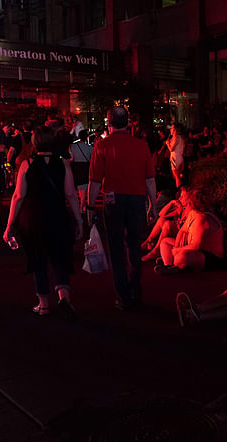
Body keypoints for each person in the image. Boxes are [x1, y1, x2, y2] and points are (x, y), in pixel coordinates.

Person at [4, 127, 84, 319]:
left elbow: (18, 196)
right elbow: (71, 194)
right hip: (58, 215)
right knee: (60, 257)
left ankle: (43, 304)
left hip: (33, 218)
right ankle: (64, 296)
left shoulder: (26, 164)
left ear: (35, 142)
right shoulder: (63, 163)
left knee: (38, 258)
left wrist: (9, 225)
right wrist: (79, 220)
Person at [87, 106, 157, 311]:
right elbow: (150, 180)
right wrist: (153, 205)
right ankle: (136, 291)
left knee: (116, 250)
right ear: (128, 123)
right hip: (137, 200)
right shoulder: (141, 145)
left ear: (109, 124)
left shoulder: (102, 146)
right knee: (134, 247)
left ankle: (123, 297)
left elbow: (95, 181)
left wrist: (90, 207)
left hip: (112, 201)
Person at [155, 187, 227, 275]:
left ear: (191, 203)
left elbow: (195, 246)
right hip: (193, 249)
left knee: (181, 256)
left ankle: (175, 264)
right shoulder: (193, 213)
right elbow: (182, 231)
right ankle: (169, 265)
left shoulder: (202, 218)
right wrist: (176, 247)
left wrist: (178, 250)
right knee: (165, 242)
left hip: (209, 256)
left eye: (188, 202)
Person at [141, 189, 185, 262]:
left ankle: (155, 251)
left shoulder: (188, 209)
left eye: (182, 197)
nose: (180, 198)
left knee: (167, 225)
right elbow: (161, 214)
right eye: (180, 196)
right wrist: (171, 203)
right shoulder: (180, 208)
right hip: (178, 229)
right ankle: (148, 242)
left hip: (182, 234)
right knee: (161, 220)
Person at [69, 130, 93, 214]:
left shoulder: (72, 146)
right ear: (86, 137)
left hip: (76, 169)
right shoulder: (89, 148)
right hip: (85, 169)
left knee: (79, 189)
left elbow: (71, 158)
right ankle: (81, 206)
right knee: (84, 190)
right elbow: (91, 159)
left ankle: (81, 206)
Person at [166, 123, 185, 188]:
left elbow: (171, 149)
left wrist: (168, 143)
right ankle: (181, 191)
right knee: (178, 176)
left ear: (175, 129)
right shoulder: (181, 137)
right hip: (180, 158)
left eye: (171, 128)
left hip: (175, 159)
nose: (170, 130)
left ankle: (180, 192)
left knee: (176, 177)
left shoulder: (176, 137)